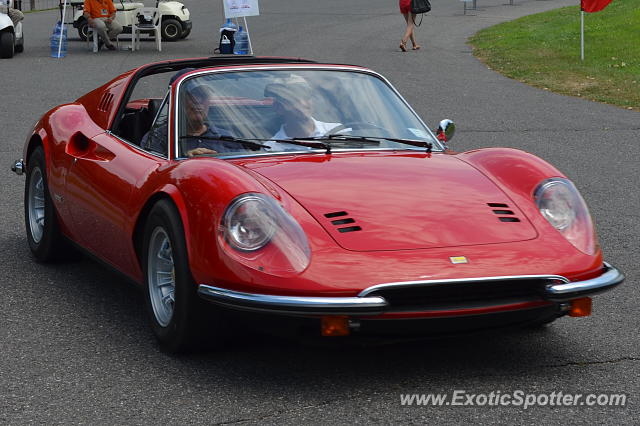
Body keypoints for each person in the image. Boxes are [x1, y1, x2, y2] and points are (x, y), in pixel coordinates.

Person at [264, 81, 342, 151]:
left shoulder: (338, 132)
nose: (304, 104)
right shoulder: (271, 148)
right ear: (279, 108)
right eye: (294, 99)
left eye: (306, 97)